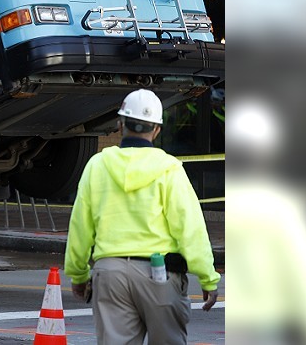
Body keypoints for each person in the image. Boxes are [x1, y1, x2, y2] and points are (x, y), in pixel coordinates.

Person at [64, 88, 220, 345]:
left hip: (110, 273)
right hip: (160, 275)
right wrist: (207, 277)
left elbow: (80, 226)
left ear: (120, 124)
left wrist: (78, 275)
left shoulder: (97, 166)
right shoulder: (169, 169)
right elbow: (189, 228)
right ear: (157, 129)